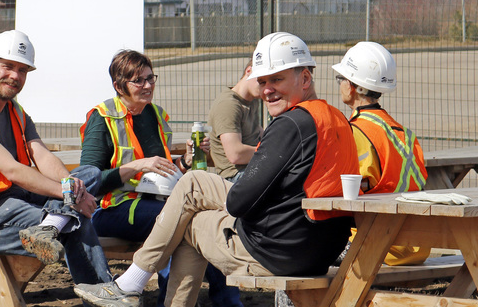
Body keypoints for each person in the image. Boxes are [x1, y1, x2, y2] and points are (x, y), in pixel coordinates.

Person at [74, 32, 360, 307]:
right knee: (193, 193)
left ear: (305, 78)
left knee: (189, 212)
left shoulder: (290, 124)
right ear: (118, 85)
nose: (267, 89)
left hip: (279, 250)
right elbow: (91, 177)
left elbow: (239, 202)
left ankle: (131, 285)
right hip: (318, 248)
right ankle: (147, 288)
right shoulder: (334, 119)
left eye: (277, 79)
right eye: (263, 81)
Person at [0, 30, 111, 286]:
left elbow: (42, 156)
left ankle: (51, 224)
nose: (15, 76)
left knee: (89, 175)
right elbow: (14, 171)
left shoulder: (16, 112)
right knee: (75, 222)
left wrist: (71, 187)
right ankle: (103, 292)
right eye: (8, 66)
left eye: (23, 70)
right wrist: (70, 197)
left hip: (14, 198)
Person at [79, 49, 240, 306]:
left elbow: (163, 172)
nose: (147, 86)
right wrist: (138, 165)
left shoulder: (156, 114)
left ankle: (226, 301)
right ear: (118, 85)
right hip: (115, 209)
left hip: (159, 201)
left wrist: (185, 161)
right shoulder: (102, 118)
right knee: (179, 222)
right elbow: (88, 181)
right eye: (138, 81)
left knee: (205, 221)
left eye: (150, 78)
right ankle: (179, 298)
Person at [333, 41, 430, 266]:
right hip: (415, 245)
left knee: (301, 250)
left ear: (352, 86)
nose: (339, 85)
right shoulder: (405, 134)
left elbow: (345, 194)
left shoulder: (353, 131)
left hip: (378, 245)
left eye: (341, 79)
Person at [207, 59, 263, 182]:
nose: (267, 88)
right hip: (235, 175)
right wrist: (271, 152)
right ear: (249, 71)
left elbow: (258, 133)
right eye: (262, 81)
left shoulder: (252, 99)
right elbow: (235, 154)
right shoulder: (228, 104)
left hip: (252, 167)